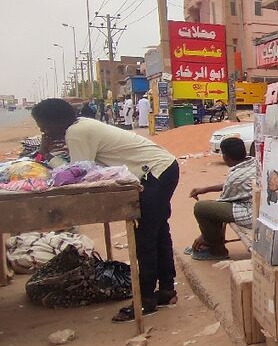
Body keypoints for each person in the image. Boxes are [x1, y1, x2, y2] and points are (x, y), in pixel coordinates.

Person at [31, 98, 180, 322]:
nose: (42, 130)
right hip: (163, 168)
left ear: (56, 121)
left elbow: (77, 174)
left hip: (154, 174)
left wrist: (47, 154)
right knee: (157, 233)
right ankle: (166, 291)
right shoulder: (81, 126)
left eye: (43, 125)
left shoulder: (77, 131)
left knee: (145, 238)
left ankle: (146, 300)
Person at [186, 137, 256, 260]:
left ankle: (215, 249)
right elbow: (231, 186)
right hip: (255, 206)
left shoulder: (236, 176)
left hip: (250, 213)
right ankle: (212, 243)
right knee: (215, 208)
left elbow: (223, 201)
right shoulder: (253, 162)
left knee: (202, 208)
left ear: (225, 157)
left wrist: (203, 236)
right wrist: (206, 189)